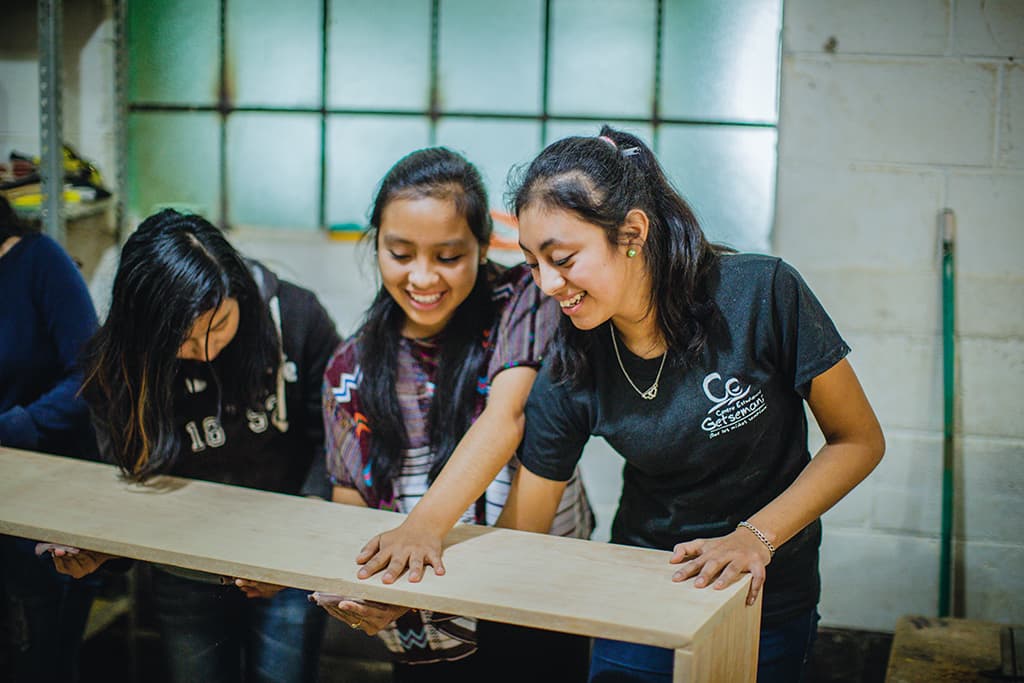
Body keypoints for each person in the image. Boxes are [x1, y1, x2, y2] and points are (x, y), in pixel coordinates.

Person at [357, 127, 886, 683]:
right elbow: (523, 531)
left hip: (766, 592)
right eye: (534, 264)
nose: (547, 284)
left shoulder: (762, 294)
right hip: (641, 588)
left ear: (632, 232)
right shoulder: (572, 357)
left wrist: (755, 537)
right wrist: (414, 593)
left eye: (562, 258)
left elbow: (858, 441)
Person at [314, 147, 594, 682]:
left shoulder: (525, 299)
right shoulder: (348, 371)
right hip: (420, 625)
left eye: (447, 257)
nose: (423, 278)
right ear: (376, 244)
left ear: (483, 245)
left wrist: (422, 530)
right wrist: (364, 590)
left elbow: (506, 416)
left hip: (534, 604)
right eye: (400, 253)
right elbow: (348, 513)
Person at [45, 209, 340, 683]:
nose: (206, 350)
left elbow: (336, 440)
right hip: (184, 568)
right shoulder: (120, 363)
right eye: (180, 340)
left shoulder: (297, 317)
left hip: (286, 563)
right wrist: (104, 549)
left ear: (237, 292)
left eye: (219, 323)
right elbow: (126, 477)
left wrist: (303, 536)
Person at [0, 196, 100, 683]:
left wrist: (17, 426)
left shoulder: (39, 261)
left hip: (43, 493)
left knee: (38, 657)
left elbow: (89, 375)